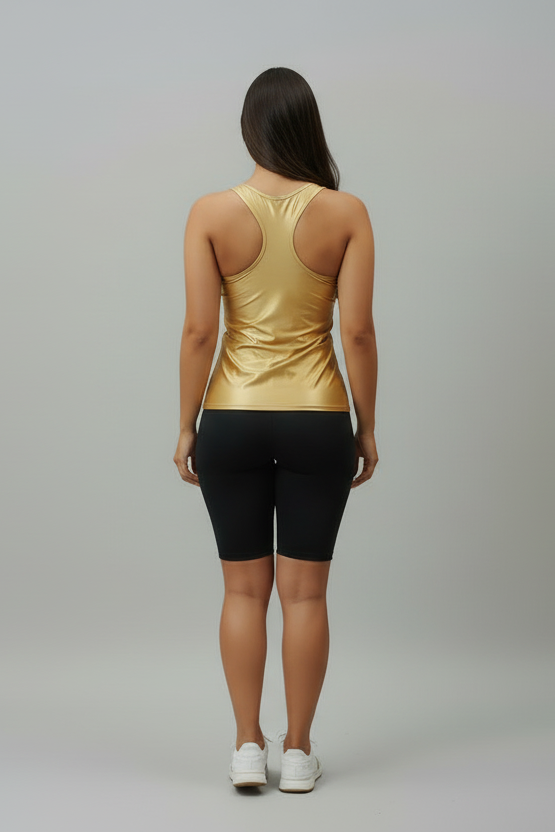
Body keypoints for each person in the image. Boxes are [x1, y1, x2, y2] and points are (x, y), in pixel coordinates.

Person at [173, 66, 378, 792]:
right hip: (318, 419)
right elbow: (357, 333)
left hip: (229, 417)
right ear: (308, 127)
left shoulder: (209, 213)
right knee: (305, 596)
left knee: (242, 593)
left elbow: (200, 332)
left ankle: (244, 747)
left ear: (248, 129)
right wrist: (366, 428)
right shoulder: (346, 212)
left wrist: (186, 427)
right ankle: (297, 752)